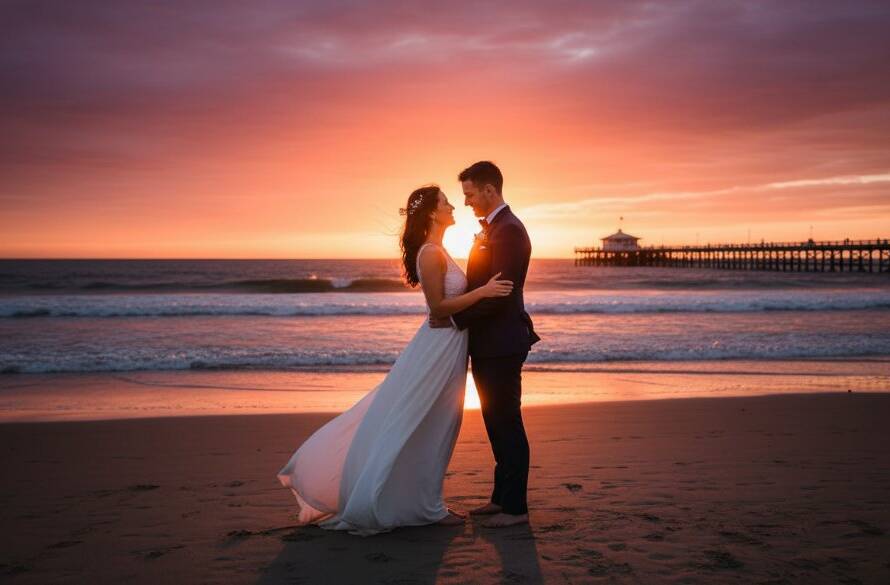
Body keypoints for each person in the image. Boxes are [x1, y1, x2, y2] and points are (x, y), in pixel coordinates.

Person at [277, 184, 513, 535]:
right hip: (437, 348)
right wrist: (483, 292)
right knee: (429, 422)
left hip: (448, 346)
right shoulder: (430, 253)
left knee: (438, 423)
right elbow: (438, 308)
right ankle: (425, 507)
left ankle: (423, 502)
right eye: (446, 202)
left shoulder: (439, 250)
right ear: (432, 213)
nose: (453, 206)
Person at [433, 161, 540, 528]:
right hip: (489, 342)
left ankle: (515, 509)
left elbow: (500, 293)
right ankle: (500, 499)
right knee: (495, 422)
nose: (466, 202)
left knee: (507, 422)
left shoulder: (508, 231)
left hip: (503, 342)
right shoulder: (493, 228)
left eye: (470, 194)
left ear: (489, 190)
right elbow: (482, 286)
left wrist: (454, 319)